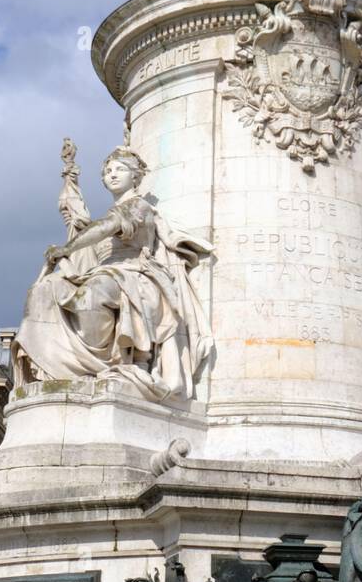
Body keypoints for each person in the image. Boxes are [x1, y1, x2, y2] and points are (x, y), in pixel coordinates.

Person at [12, 148, 212, 402]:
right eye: (107, 171)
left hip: (136, 274)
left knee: (93, 293)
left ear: (136, 176)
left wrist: (68, 248)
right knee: (44, 289)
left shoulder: (138, 206)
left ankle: (100, 364)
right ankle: (66, 366)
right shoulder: (110, 213)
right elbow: (89, 231)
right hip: (106, 273)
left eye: (120, 169)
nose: (112, 175)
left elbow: (108, 227)